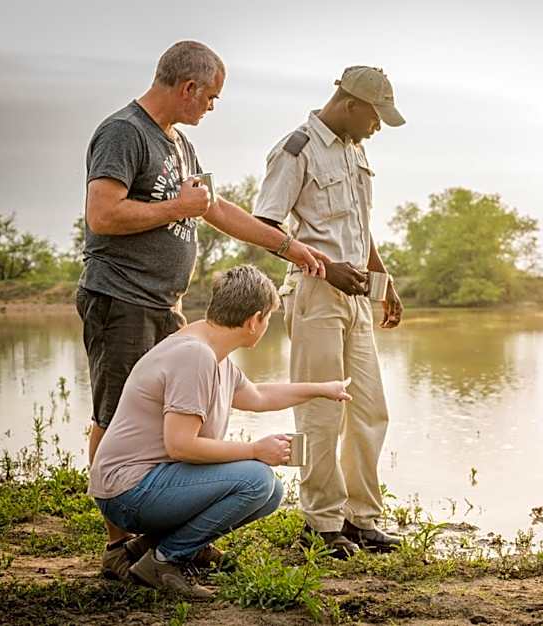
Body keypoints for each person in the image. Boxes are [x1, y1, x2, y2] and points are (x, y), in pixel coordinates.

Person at [79, 40, 329, 576]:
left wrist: (284, 245)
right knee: (114, 410)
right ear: (187, 88)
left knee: (174, 412)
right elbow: (101, 215)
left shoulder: (180, 145)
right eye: (210, 97)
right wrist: (179, 206)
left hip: (163, 301)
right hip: (119, 296)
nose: (211, 107)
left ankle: (166, 531)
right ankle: (118, 543)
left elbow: (216, 209)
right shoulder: (124, 133)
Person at [89, 265, 352, 598]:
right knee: (257, 480)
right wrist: (256, 450)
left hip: (148, 483)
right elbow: (181, 446)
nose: (266, 326)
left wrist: (322, 388)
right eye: (269, 318)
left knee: (269, 491)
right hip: (128, 493)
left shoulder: (212, 353)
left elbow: (257, 396)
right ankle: (165, 560)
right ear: (255, 319)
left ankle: (149, 549)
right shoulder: (194, 356)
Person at [251, 66, 405, 558]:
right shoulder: (296, 148)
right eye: (376, 117)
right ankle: (321, 523)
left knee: (369, 408)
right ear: (351, 104)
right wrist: (322, 265)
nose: (377, 128)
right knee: (321, 412)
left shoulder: (354, 150)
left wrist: (384, 280)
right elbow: (265, 225)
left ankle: (361, 518)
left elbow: (360, 227)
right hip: (316, 292)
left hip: (357, 293)